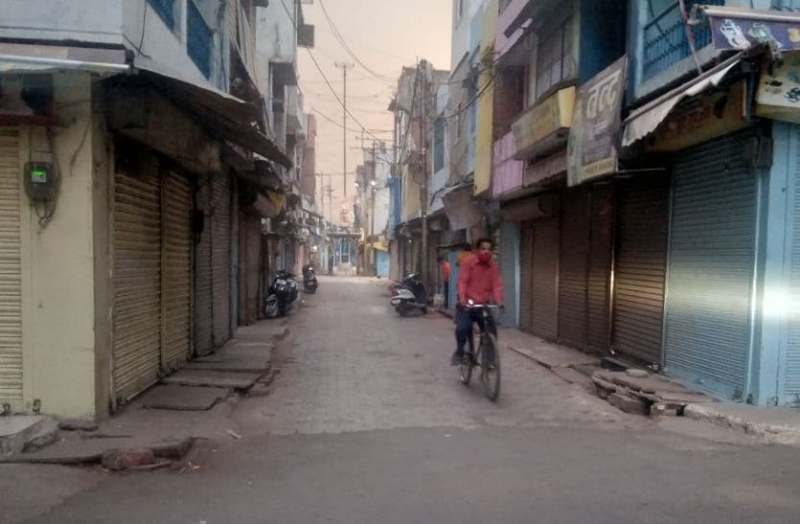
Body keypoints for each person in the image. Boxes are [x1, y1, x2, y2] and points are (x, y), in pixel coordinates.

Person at [452, 238, 503, 365]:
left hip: (482, 305)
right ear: (476, 250)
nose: (486, 252)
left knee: (491, 331)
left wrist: (499, 301)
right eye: (483, 248)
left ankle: (489, 361)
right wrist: (462, 298)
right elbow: (463, 281)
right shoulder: (468, 262)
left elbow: (496, 285)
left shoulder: (493, 267)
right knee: (462, 328)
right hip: (467, 304)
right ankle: (460, 352)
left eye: (489, 249)